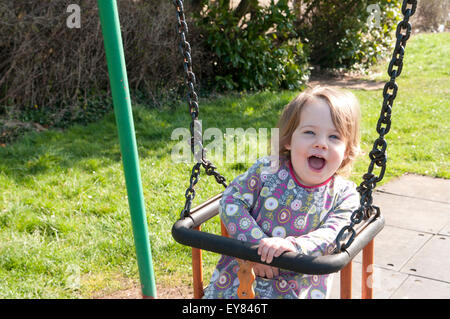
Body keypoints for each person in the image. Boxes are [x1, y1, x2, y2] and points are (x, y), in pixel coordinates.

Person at [203, 86, 361, 299]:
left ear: (347, 151)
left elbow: (334, 233)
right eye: (309, 132)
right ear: (288, 139)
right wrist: (257, 246)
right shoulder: (267, 170)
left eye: (334, 137)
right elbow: (231, 201)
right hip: (241, 279)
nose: (320, 143)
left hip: (298, 288)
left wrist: (290, 246)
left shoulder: (345, 195)